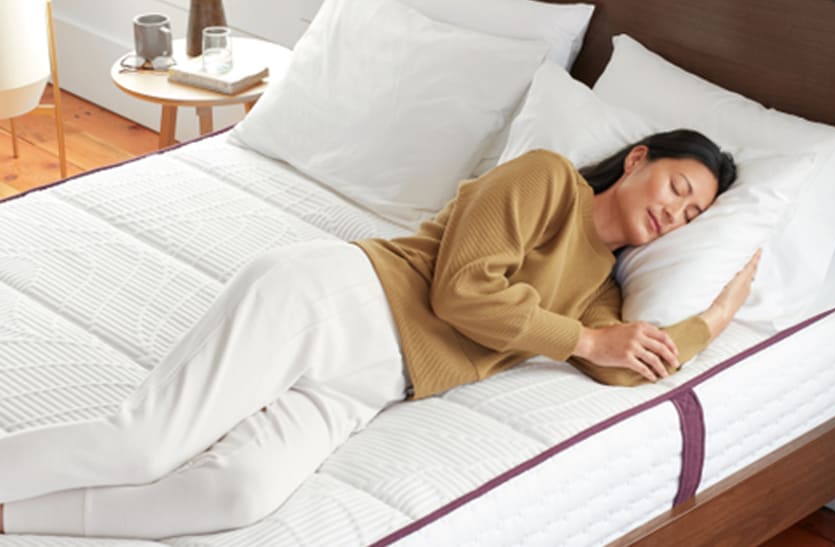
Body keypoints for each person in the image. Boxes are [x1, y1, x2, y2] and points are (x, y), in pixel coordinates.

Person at [0, 129, 756, 538]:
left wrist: (712, 320)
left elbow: (625, 364)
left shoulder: (599, 291)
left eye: (692, 217)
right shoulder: (545, 177)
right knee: (143, 443)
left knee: (236, 491)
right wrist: (588, 341)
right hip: (338, 299)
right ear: (638, 160)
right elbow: (464, 291)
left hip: (376, 384)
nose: (675, 212)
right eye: (678, 188)